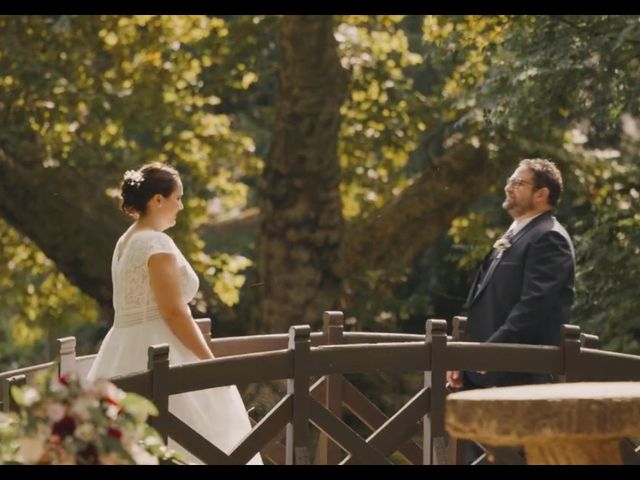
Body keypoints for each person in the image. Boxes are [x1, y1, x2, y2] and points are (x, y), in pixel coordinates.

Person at [87, 162, 262, 465]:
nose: (180, 206)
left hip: (120, 350)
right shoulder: (155, 243)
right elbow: (172, 311)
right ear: (157, 200)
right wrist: (209, 362)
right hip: (160, 353)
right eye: (177, 198)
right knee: (196, 438)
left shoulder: (125, 241)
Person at [447, 158, 575, 463]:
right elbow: (488, 303)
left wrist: (490, 352)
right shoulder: (516, 233)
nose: (509, 187)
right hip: (488, 370)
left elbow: (532, 308)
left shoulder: (549, 237)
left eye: (518, 183)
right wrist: (465, 358)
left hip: (520, 372)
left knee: (515, 457)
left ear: (541, 193)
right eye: (510, 180)